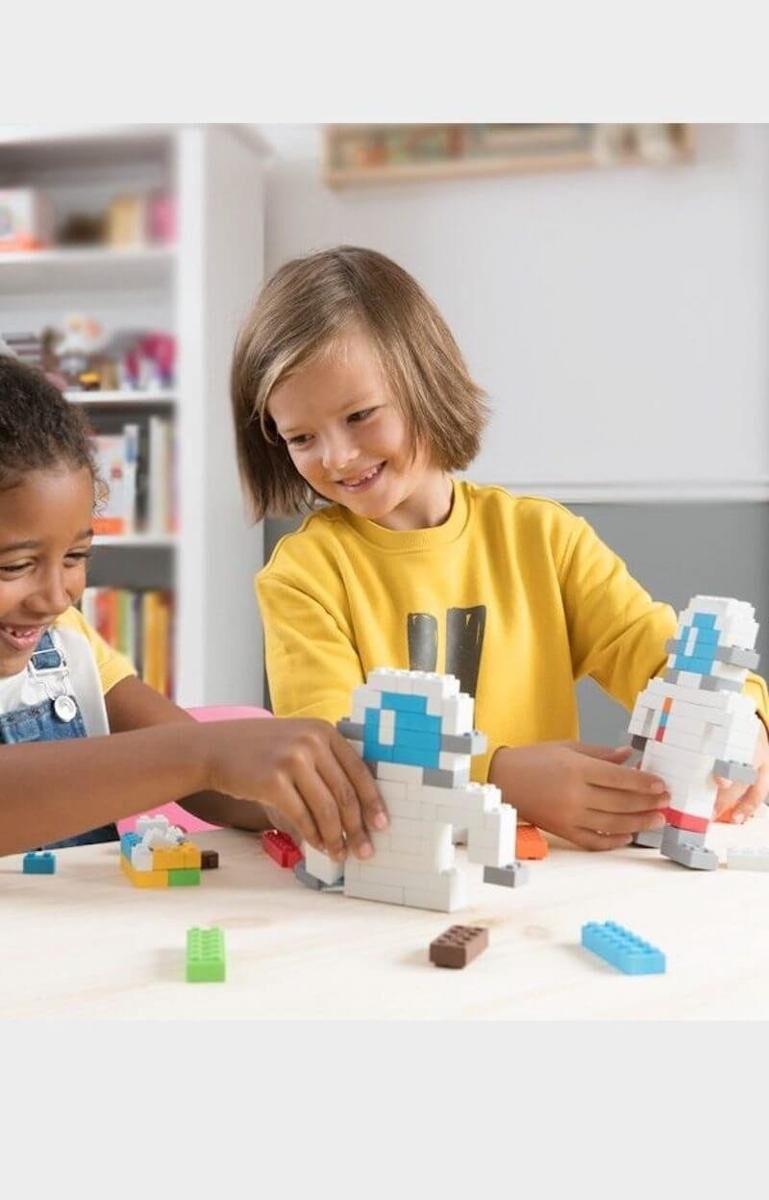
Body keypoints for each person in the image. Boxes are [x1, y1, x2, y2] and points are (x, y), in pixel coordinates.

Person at [230, 245, 769, 851]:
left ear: (424, 383)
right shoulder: (302, 577)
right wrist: (500, 777)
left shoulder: (545, 539)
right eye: (301, 437)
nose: (337, 457)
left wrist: (743, 715)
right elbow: (333, 763)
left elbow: (657, 652)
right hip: (393, 870)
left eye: (359, 415)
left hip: (546, 875)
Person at [0, 354, 385, 860]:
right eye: (14, 566)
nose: (56, 597)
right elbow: (193, 758)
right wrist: (207, 753)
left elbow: (199, 776)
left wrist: (290, 797)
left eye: (76, 557)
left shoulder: (66, 641)